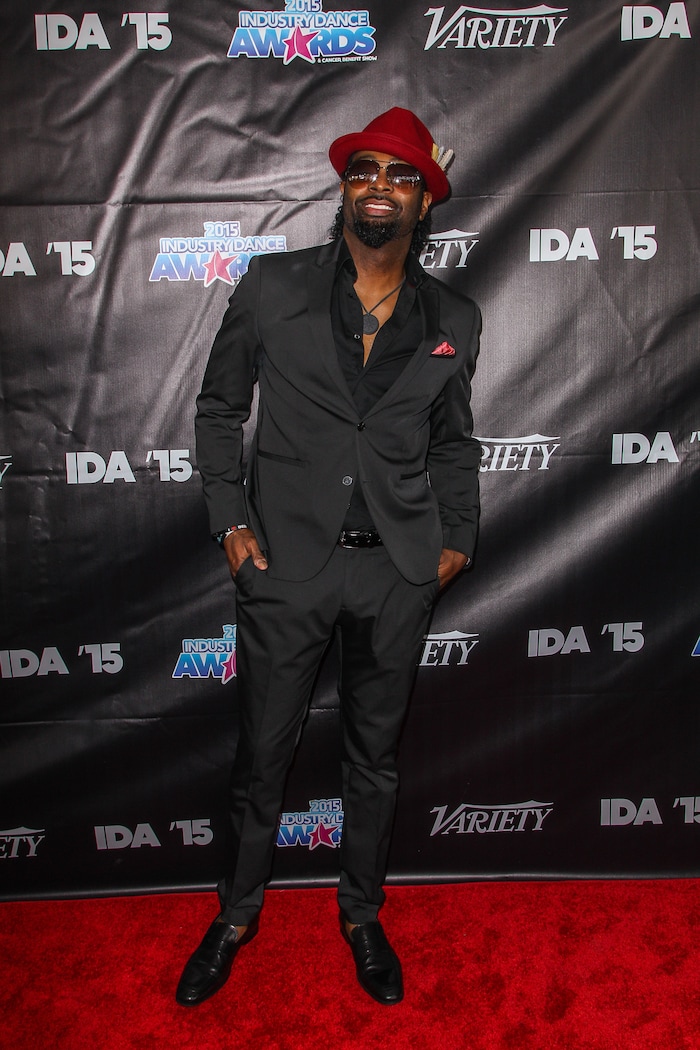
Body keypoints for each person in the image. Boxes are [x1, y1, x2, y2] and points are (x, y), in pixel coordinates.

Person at [176, 107, 481, 1008]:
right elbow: (218, 409)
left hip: (396, 571)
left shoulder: (453, 314)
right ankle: (234, 915)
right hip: (286, 570)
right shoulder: (271, 289)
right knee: (261, 758)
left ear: (425, 202)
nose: (379, 185)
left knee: (374, 760)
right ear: (345, 189)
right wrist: (231, 524)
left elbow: (455, 443)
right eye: (364, 170)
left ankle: (361, 913)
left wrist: (457, 539)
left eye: (400, 175)